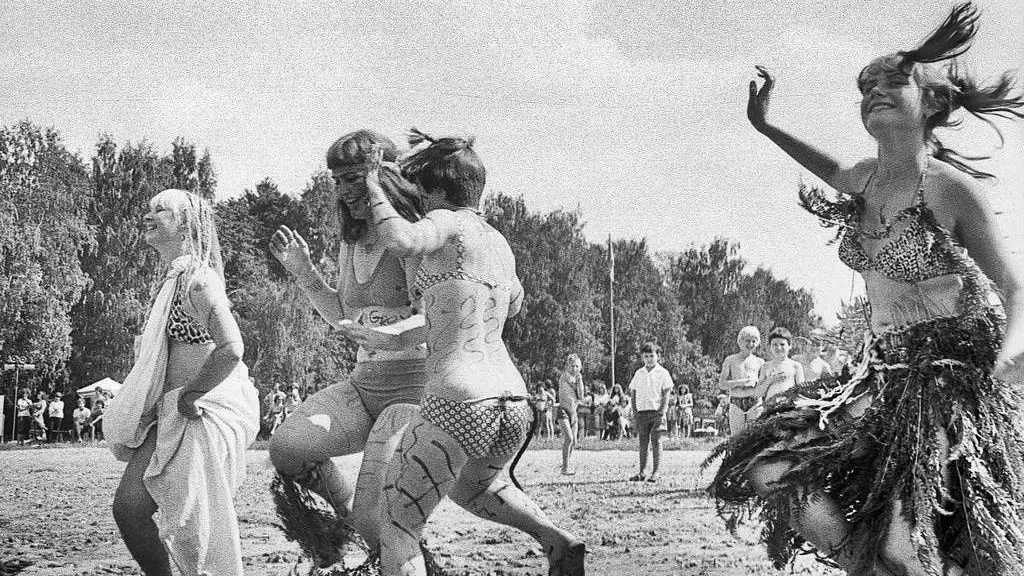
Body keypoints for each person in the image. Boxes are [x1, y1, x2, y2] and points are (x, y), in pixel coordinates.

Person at [708, 4, 1024, 575]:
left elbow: (1013, 286)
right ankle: (865, 566)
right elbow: (825, 166)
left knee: (922, 546)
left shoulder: (949, 191)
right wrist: (765, 126)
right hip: (879, 377)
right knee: (767, 464)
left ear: (928, 102)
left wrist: (1010, 353)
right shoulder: (864, 179)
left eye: (890, 81)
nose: (872, 91)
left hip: (947, 381)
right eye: (864, 87)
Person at [354, 130, 584, 576]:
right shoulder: (498, 243)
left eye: (421, 189)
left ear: (438, 190)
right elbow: (511, 304)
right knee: (477, 489)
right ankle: (556, 540)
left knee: (397, 526)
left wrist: (372, 183)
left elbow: (401, 239)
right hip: (513, 402)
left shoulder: (448, 222)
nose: (418, 199)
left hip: (457, 399)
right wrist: (400, 336)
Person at [267, 130, 429, 568]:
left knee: (374, 516)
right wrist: (303, 272)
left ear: (385, 176)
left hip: (413, 394)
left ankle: (387, 547)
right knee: (286, 449)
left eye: (354, 177)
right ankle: (344, 528)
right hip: (363, 387)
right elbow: (342, 313)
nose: (344, 191)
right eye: (337, 180)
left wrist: (393, 335)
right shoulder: (351, 240)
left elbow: (434, 314)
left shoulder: (411, 237)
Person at [106, 188, 259, 576]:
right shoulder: (175, 278)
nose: (149, 214)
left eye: (162, 210)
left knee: (195, 529)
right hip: (172, 414)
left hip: (197, 414)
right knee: (129, 508)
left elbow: (232, 348)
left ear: (186, 225)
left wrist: (192, 394)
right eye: (149, 207)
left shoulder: (198, 280)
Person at [627, 342, 674, 483]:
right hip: (642, 412)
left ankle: (656, 472)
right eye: (646, 356)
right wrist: (634, 410)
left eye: (652, 356)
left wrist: (662, 410)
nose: (649, 359)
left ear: (658, 356)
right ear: (642, 357)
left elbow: (666, 392)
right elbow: (633, 392)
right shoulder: (639, 373)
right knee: (643, 442)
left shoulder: (662, 373)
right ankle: (642, 471)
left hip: (656, 412)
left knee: (656, 441)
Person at [718, 326, 765, 436]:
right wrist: (740, 382)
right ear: (740, 341)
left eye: (754, 341)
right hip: (736, 402)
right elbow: (722, 384)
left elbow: (765, 386)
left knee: (755, 438)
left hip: (755, 403)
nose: (751, 344)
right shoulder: (730, 360)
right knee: (737, 439)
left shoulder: (760, 362)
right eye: (748, 341)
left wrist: (756, 382)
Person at [753, 328, 804, 409]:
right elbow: (757, 394)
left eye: (782, 344)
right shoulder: (765, 366)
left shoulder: (796, 366)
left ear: (789, 346)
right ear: (770, 347)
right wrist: (770, 380)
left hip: (789, 409)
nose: (778, 348)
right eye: (775, 345)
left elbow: (801, 392)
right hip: (769, 410)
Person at [557, 354, 585, 474]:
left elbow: (581, 396)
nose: (575, 369)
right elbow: (571, 382)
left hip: (573, 412)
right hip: (563, 410)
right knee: (568, 438)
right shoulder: (564, 376)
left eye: (577, 366)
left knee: (574, 442)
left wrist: (580, 381)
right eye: (572, 366)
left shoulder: (578, 379)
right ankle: (565, 467)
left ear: (580, 367)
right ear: (567, 366)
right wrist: (578, 381)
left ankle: (566, 463)